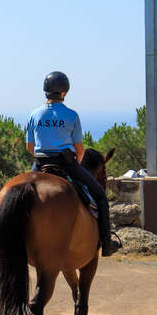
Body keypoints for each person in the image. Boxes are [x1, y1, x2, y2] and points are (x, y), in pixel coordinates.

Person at [27, 71, 120, 256]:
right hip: (66, 164)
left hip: (39, 164)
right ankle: (107, 244)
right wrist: (76, 165)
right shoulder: (71, 115)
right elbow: (80, 150)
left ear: (45, 91)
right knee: (101, 196)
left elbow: (30, 147)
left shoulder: (34, 114)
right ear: (65, 92)